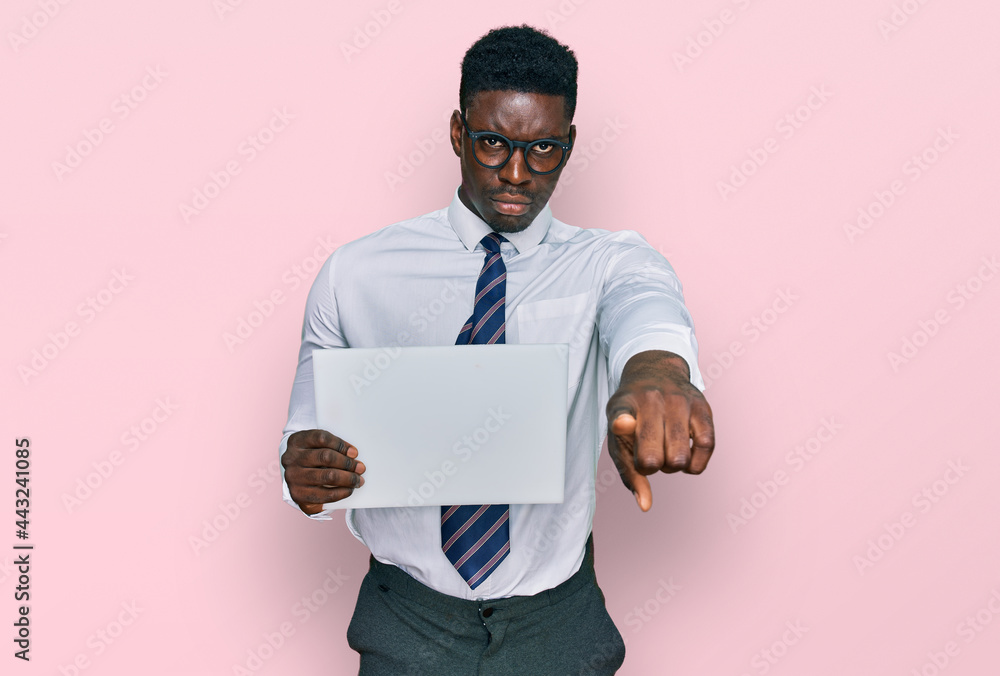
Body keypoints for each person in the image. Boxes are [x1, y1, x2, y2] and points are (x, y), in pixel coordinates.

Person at [279, 24, 715, 675]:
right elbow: (307, 439)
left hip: (556, 624)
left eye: (543, 148)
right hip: (406, 620)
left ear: (569, 145)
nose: (517, 172)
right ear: (458, 134)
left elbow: (647, 314)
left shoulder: (607, 262)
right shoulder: (355, 273)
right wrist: (304, 475)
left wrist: (658, 374)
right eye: (492, 144)